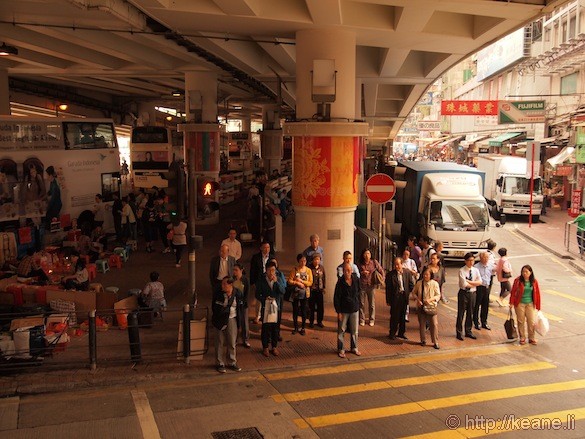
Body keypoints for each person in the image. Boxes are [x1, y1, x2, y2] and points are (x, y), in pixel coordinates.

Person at [212, 277, 243, 373]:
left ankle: (232, 362)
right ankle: (220, 363)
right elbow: (214, 307)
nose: (222, 286)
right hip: (220, 319)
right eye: (222, 284)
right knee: (219, 341)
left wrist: (240, 322)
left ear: (230, 285)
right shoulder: (218, 293)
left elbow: (241, 307)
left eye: (225, 284)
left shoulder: (237, 293)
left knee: (232, 341)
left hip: (232, 319)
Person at [256, 261, 284, 357]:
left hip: (276, 307)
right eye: (269, 270)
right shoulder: (261, 280)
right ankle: (265, 347)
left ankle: (274, 347)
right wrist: (264, 299)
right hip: (266, 306)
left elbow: (282, 291)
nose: (271, 272)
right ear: (266, 270)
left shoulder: (278, 279)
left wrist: (276, 282)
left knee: (275, 328)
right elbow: (257, 294)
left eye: (273, 270)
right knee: (266, 328)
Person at [509, 265, 542, 346]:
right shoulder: (518, 280)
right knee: (521, 321)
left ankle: (531, 337)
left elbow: (537, 294)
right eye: (523, 271)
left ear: (530, 272)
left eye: (526, 272)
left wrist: (538, 306)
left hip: (530, 303)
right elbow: (513, 292)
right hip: (519, 303)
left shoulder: (534, 281)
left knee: (531, 321)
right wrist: (511, 303)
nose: (524, 273)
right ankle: (522, 337)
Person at [334, 262, 361, 358]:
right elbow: (336, 297)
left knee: (354, 330)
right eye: (345, 271)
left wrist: (358, 304)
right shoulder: (340, 282)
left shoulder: (356, 280)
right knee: (341, 330)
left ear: (352, 271)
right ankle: (341, 349)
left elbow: (359, 292)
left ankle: (354, 347)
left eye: (349, 270)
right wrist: (338, 312)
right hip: (343, 310)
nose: (347, 272)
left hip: (354, 309)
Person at [386, 257, 415, 340]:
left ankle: (401, 333)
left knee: (403, 316)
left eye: (398, 264)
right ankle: (392, 333)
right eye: (395, 264)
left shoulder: (407, 273)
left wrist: (410, 293)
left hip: (404, 297)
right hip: (395, 298)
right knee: (394, 316)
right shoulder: (390, 275)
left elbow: (411, 284)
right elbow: (388, 289)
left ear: (402, 264)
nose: (397, 266)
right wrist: (388, 300)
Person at [413, 266, 441, 349]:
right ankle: (423, 340)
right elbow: (413, 293)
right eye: (424, 274)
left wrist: (430, 300)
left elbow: (438, 295)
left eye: (427, 275)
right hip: (421, 307)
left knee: (434, 324)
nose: (425, 276)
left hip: (431, 307)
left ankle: (435, 341)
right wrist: (418, 300)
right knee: (422, 324)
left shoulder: (434, 284)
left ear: (431, 275)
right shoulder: (419, 283)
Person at [456, 253, 482, 341]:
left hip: (472, 294)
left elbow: (480, 282)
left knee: (470, 313)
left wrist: (470, 282)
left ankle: (468, 331)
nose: (471, 262)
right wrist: (473, 283)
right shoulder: (461, 270)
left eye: (473, 260)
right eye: (469, 260)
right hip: (463, 293)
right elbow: (464, 284)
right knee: (461, 313)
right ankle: (459, 332)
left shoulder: (476, 270)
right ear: (465, 261)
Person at [287, 254, 313, 335]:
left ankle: (303, 327)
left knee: (304, 310)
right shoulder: (295, 269)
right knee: (295, 310)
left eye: (304, 261)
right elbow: (289, 281)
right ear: (298, 261)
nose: (303, 262)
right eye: (301, 261)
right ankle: (295, 327)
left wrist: (302, 282)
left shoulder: (308, 270)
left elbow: (310, 282)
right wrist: (296, 283)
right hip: (296, 293)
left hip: (305, 294)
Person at [358, 249, 384, 327]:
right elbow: (356, 273)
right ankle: (362, 319)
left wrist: (382, 279)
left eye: (368, 253)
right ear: (363, 255)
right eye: (365, 254)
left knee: (371, 303)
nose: (367, 255)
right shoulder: (360, 263)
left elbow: (381, 270)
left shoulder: (374, 262)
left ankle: (371, 319)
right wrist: (362, 273)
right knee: (361, 303)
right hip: (362, 284)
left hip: (371, 285)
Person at [249, 242, 274, 323]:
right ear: (261, 248)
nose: (267, 249)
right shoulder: (256, 257)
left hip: (269, 280)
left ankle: (268, 315)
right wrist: (253, 282)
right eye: (265, 247)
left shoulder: (272, 258)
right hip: (259, 280)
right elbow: (252, 270)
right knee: (259, 299)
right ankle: (258, 316)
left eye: (268, 247)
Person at [474, 252, 494, 331]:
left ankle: (484, 322)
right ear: (481, 258)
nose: (486, 259)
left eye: (487, 257)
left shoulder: (490, 265)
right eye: (484, 257)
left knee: (485, 305)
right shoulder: (476, 267)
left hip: (487, 287)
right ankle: (476, 322)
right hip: (479, 287)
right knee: (477, 305)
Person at [232, 263, 250, 348]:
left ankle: (245, 339)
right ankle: (235, 339)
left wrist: (243, 301)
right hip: (235, 304)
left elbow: (247, 293)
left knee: (244, 323)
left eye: (236, 270)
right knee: (236, 323)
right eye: (234, 270)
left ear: (241, 270)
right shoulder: (232, 280)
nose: (234, 272)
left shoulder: (245, 280)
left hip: (243, 304)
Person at [308, 253, 326, 328]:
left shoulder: (322, 268)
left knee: (320, 307)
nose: (316, 261)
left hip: (320, 290)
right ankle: (311, 321)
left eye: (318, 259)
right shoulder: (309, 268)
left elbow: (324, 278)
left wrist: (324, 287)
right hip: (312, 290)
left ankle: (319, 321)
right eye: (315, 259)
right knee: (311, 307)